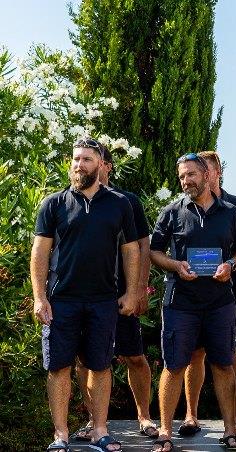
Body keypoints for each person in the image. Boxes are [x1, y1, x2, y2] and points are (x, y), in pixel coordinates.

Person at [31, 137, 140, 452]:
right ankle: (61, 435)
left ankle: (100, 431)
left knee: (101, 365)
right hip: (61, 300)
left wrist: (132, 292)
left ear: (101, 165)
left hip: (103, 299)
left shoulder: (119, 204)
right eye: (76, 159)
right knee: (58, 367)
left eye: (87, 160)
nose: (79, 165)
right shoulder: (53, 203)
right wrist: (40, 297)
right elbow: (40, 253)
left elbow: (131, 250)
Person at [149, 153, 236, 451]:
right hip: (181, 303)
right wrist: (175, 265)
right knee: (174, 365)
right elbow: (154, 252)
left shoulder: (231, 211)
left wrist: (230, 265)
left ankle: (231, 430)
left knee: (223, 365)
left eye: (191, 174)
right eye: (182, 176)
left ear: (208, 175)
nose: (186, 181)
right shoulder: (171, 212)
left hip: (221, 303)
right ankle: (166, 432)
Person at [73, 144, 156, 442]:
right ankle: (94, 420)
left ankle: (144, 415)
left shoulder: (127, 201)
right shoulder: (70, 200)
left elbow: (143, 247)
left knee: (134, 356)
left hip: (120, 295)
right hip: (82, 297)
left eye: (96, 160)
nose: (87, 164)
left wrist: (139, 289)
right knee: (85, 361)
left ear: (106, 166)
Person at [178, 151, 236, 438]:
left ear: (216, 173)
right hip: (191, 297)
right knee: (195, 355)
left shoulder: (235, 206)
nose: (203, 178)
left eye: (208, 172)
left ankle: (234, 417)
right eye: (200, 173)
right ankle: (190, 416)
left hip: (227, 295)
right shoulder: (183, 207)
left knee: (229, 355)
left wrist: (231, 272)